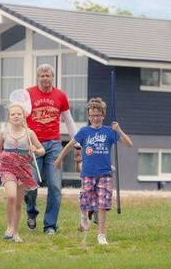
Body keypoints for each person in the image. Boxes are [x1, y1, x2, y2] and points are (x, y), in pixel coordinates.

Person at [54, 97, 133, 245]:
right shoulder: (84, 132)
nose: (95, 118)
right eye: (92, 116)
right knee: (85, 201)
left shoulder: (110, 132)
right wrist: (59, 159)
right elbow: (70, 145)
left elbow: (129, 144)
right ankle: (84, 217)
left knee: (103, 204)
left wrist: (119, 130)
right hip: (88, 173)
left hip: (104, 174)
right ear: (89, 116)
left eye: (98, 115)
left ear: (103, 115)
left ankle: (101, 235)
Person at [24, 64, 78, 234]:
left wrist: (77, 142)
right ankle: (31, 213)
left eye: (48, 75)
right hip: (34, 143)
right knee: (31, 184)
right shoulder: (28, 94)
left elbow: (69, 121)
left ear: (53, 77)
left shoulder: (60, 96)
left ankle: (50, 225)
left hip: (54, 145)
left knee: (55, 186)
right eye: (42, 75)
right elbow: (19, 117)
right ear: (37, 77)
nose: (45, 78)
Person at [0, 103, 45, 243]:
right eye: (13, 114)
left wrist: (36, 150)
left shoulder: (29, 133)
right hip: (7, 168)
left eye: (19, 114)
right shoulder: (4, 133)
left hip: (24, 169)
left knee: (18, 203)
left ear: (23, 116)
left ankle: (16, 233)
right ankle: (9, 227)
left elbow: (42, 149)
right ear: (9, 117)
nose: (16, 116)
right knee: (11, 196)